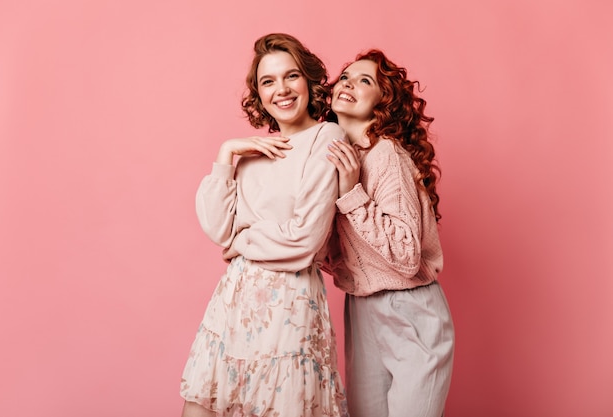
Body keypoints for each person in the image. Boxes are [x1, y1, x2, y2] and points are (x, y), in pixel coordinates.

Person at [179, 33, 349, 417]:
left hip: (289, 306)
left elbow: (305, 241)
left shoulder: (327, 137)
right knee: (200, 408)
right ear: (258, 93)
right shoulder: (254, 152)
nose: (282, 90)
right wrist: (227, 153)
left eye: (291, 76)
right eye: (268, 82)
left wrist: (243, 241)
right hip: (234, 302)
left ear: (308, 80)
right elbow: (220, 228)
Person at [323, 49, 455, 417]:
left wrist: (352, 194)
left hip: (410, 309)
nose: (348, 83)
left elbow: (405, 256)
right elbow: (338, 252)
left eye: (365, 80)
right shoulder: (338, 157)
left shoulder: (386, 155)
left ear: (384, 103)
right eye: (345, 76)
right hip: (362, 307)